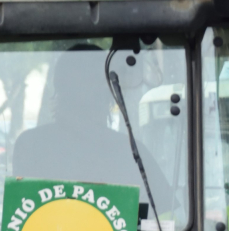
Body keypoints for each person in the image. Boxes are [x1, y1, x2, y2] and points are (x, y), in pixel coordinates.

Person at [13, 44, 173, 209]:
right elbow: (168, 224)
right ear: (109, 96)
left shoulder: (31, 145)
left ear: (59, 94)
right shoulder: (132, 154)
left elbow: (20, 218)